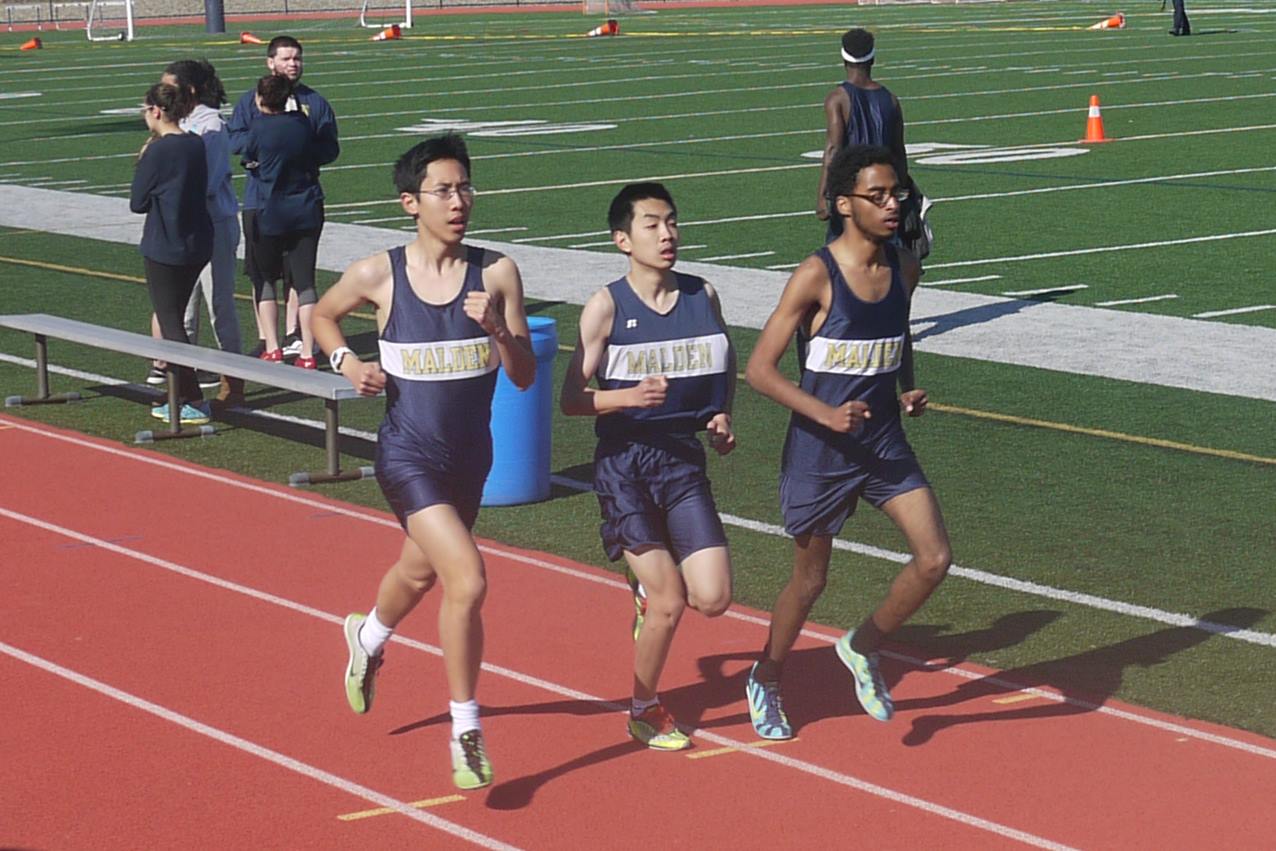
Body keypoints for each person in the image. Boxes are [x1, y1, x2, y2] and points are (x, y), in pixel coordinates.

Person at [311, 134, 535, 791]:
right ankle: (466, 728)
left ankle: (368, 637)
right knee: (466, 578)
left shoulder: (496, 273)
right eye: (444, 189)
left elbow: (522, 376)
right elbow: (322, 315)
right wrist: (347, 361)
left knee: (419, 569)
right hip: (407, 453)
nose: (459, 200)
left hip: (472, 457)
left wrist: (497, 327)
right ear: (411, 202)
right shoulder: (378, 273)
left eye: (466, 186)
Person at [743, 145, 951, 740]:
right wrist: (826, 415)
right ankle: (768, 675)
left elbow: (897, 332)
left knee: (935, 558)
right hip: (821, 450)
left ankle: (862, 646)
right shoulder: (817, 274)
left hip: (883, 441)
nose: (892, 206)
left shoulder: (905, 267)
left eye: (897, 195)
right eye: (877, 196)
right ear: (843, 203)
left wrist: (905, 388)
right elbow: (760, 370)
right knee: (809, 582)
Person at [560, 182, 736, 751]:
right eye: (653, 225)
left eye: (673, 222)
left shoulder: (702, 295)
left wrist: (721, 417)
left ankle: (644, 591)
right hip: (624, 465)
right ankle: (643, 708)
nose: (667, 234)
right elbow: (570, 400)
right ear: (622, 240)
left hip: (682, 461)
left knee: (712, 598)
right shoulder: (607, 306)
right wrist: (625, 398)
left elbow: (722, 365)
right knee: (670, 600)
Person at [228, 35, 339, 361]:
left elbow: (330, 147)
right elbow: (235, 140)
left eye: (297, 58)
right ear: (270, 62)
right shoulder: (252, 100)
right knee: (263, 273)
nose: (293, 64)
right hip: (260, 198)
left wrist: (299, 157)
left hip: (296, 197)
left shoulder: (315, 103)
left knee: (299, 275)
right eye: (286, 58)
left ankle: (294, 336)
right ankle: (268, 339)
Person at [146, 59, 245, 406]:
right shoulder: (179, 123)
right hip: (182, 227)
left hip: (213, 222)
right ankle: (181, 382)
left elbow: (210, 180)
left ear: (188, 90)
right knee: (181, 311)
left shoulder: (210, 125)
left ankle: (234, 379)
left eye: (170, 87)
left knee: (220, 302)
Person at [130, 82, 214, 426]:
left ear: (156, 111)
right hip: (197, 242)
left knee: (171, 323)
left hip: (166, 245)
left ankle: (190, 396)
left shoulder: (159, 151)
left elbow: (138, 202)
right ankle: (181, 393)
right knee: (175, 319)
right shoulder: (195, 143)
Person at [240, 74, 324, 368]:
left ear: (260, 99)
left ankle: (273, 347)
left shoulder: (259, 127)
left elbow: (248, 157)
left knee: (265, 279)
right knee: (305, 283)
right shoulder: (302, 123)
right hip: (306, 209)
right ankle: (307, 351)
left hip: (270, 211)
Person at [816, 28, 910, 243]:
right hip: (884, 195)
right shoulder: (891, 100)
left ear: (843, 58)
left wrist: (822, 195)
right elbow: (899, 152)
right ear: (873, 58)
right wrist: (901, 193)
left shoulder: (837, 99)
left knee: (843, 262)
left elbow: (833, 149)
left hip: (852, 193)